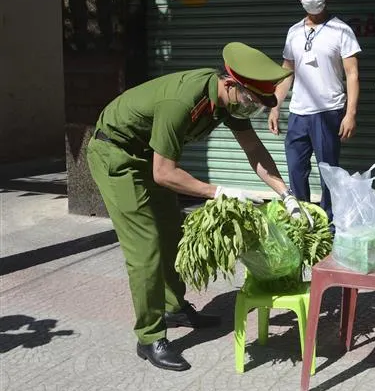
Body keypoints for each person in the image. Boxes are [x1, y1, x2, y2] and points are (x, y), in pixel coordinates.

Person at [87, 42, 309, 371]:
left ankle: (174, 307)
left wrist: (286, 194)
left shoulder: (228, 102)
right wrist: (216, 191)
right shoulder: (184, 100)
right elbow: (165, 173)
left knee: (173, 233)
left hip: (147, 155)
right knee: (146, 247)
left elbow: (254, 150)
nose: (252, 109)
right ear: (231, 84)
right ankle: (149, 337)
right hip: (117, 156)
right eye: (251, 101)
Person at [268, 0, 361, 222]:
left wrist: (350, 113)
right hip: (298, 113)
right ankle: (304, 220)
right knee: (296, 170)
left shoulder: (341, 30)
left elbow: (352, 74)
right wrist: (275, 106)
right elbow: (286, 71)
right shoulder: (294, 32)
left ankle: (330, 223)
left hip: (328, 112)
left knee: (328, 172)